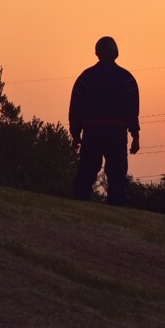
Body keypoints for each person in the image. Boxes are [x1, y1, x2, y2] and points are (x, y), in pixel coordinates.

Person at [69, 36, 140, 205]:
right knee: (117, 175)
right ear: (116, 53)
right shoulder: (127, 79)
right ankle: (115, 209)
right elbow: (132, 111)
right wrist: (135, 136)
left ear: (97, 53)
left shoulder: (85, 78)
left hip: (92, 132)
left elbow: (76, 108)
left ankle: (79, 206)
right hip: (116, 133)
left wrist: (76, 134)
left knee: (86, 172)